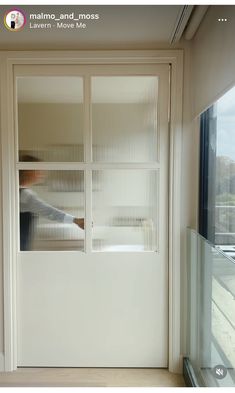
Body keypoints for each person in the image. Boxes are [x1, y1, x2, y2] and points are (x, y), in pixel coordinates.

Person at [19, 155, 84, 250]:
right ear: (28, 171)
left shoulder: (17, 191)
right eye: (38, 170)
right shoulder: (25, 195)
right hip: (19, 246)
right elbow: (49, 212)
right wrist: (75, 220)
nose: (42, 174)